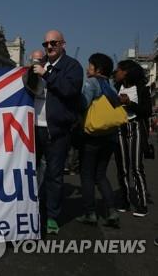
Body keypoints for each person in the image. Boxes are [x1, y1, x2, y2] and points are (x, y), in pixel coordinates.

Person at [31, 30, 83, 235]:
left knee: (54, 175)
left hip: (57, 130)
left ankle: (52, 215)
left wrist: (47, 74)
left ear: (63, 44)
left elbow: (70, 90)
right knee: (29, 172)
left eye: (53, 43)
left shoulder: (72, 66)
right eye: (46, 44)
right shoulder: (39, 64)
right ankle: (31, 210)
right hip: (33, 127)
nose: (49, 47)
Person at [76, 53, 119, 227]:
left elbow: (82, 105)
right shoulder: (111, 87)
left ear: (98, 69)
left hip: (92, 137)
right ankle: (112, 211)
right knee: (101, 175)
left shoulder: (92, 83)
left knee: (86, 175)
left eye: (90, 66)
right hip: (110, 137)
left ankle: (90, 213)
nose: (88, 69)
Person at [113, 60, 152, 217]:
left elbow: (147, 111)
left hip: (135, 127)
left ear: (127, 72)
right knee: (122, 167)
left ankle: (142, 204)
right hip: (119, 127)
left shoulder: (141, 89)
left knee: (136, 167)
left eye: (119, 70)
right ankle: (125, 201)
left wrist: (128, 103)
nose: (117, 72)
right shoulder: (117, 87)